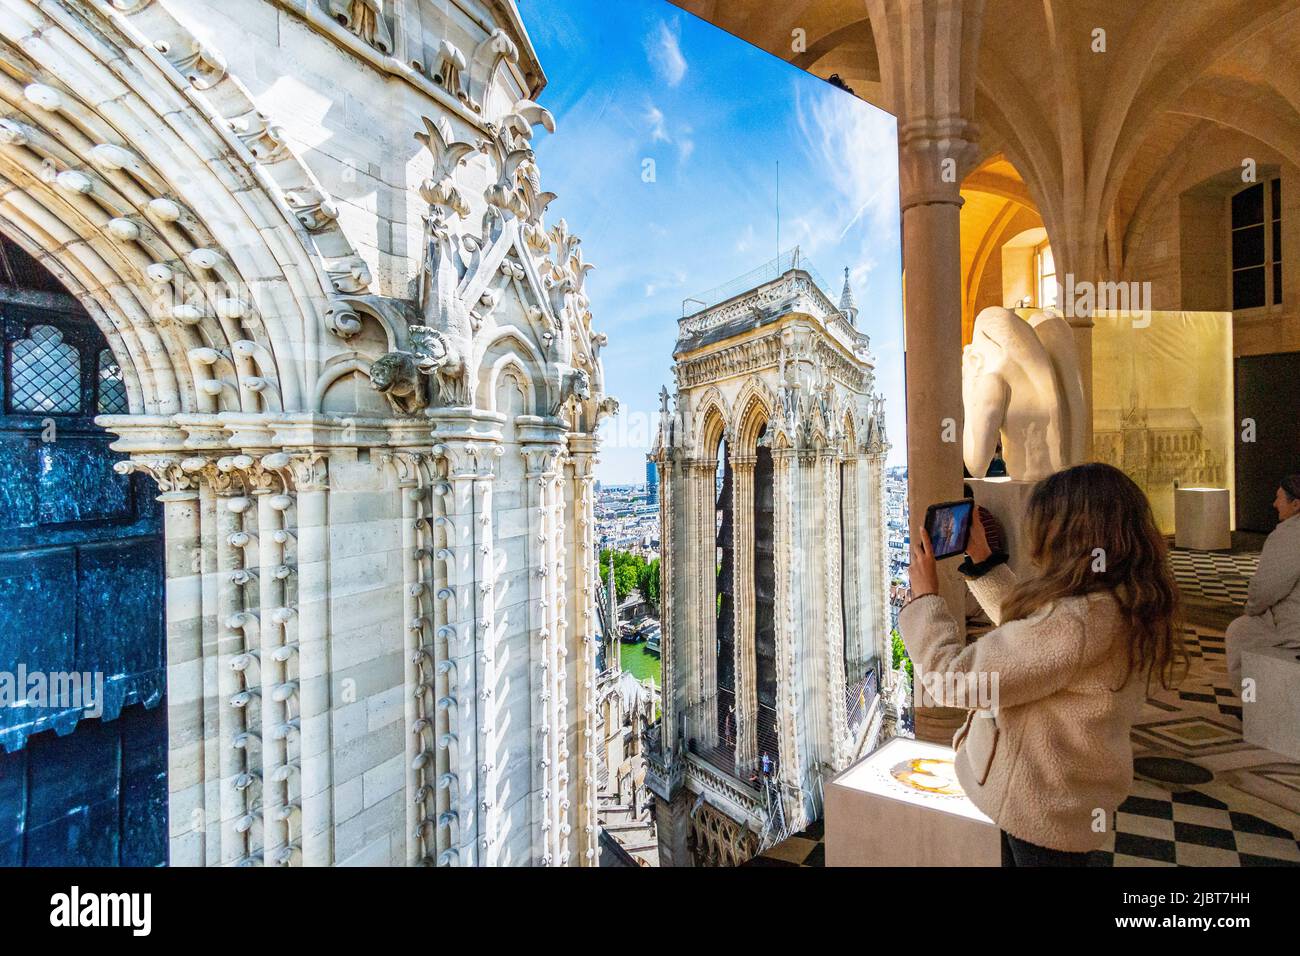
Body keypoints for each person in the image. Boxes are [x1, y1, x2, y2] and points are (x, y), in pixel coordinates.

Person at [900, 463, 1183, 866]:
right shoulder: (1127, 600)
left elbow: (952, 680)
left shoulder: (1076, 622)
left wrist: (925, 600)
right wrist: (983, 562)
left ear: (1068, 534)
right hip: (1069, 800)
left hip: (1037, 808)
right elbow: (1038, 639)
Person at [1226, 475, 1300, 690]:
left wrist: (1251, 608)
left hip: (1293, 630)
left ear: (1295, 505)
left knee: (1240, 631)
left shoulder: (1289, 535)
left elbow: (1267, 588)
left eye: (1279, 499)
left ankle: (1252, 705)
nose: (1274, 504)